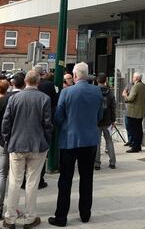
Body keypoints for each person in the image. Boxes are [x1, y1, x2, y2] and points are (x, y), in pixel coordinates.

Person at [49, 62, 103, 227]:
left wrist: (67, 125)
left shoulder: (66, 92)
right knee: (87, 179)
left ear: (75, 75)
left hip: (69, 140)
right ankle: (85, 214)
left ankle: (61, 217)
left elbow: (58, 117)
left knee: (65, 180)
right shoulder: (97, 91)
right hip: (90, 140)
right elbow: (100, 116)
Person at [1, 69, 53, 229]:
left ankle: (10, 218)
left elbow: (6, 122)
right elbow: (48, 124)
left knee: (14, 181)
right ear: (38, 82)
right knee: (32, 181)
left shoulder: (14, 98)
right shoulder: (44, 98)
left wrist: (7, 140)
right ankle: (30, 217)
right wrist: (47, 142)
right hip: (37, 146)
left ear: (25, 82)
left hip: (17, 144)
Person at [0, 74, 25, 221]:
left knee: (3, 175)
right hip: (19, 142)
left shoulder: (2, 99)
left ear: (12, 84)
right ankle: (13, 208)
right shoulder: (25, 99)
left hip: (3, 142)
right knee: (14, 176)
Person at [94, 74, 117, 171]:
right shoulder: (110, 92)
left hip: (97, 120)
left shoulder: (94, 91)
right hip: (107, 120)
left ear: (97, 81)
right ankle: (112, 162)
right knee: (109, 141)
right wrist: (113, 120)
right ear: (105, 81)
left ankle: (97, 163)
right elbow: (113, 107)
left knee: (97, 143)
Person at [121, 72, 145, 153]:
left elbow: (130, 98)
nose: (132, 78)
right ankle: (138, 146)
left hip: (133, 112)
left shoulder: (135, 86)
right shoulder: (144, 86)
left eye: (133, 77)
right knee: (139, 129)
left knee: (134, 129)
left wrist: (125, 95)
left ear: (137, 78)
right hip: (141, 111)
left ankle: (135, 146)